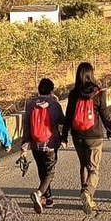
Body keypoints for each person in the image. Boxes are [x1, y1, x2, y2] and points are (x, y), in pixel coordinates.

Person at [60, 62, 111, 215]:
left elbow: (69, 117)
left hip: (78, 136)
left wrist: (64, 136)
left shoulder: (73, 94)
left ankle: (87, 198)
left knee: (84, 165)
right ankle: (88, 193)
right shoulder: (98, 93)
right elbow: (104, 113)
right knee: (94, 168)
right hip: (94, 135)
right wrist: (109, 129)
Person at [21, 78, 65, 213]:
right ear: (51, 90)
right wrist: (64, 138)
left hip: (35, 144)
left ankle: (49, 198)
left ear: (39, 90)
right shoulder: (54, 105)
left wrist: (24, 147)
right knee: (50, 171)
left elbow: (26, 126)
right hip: (50, 143)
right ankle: (40, 193)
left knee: (42, 170)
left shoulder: (30, 105)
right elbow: (62, 121)